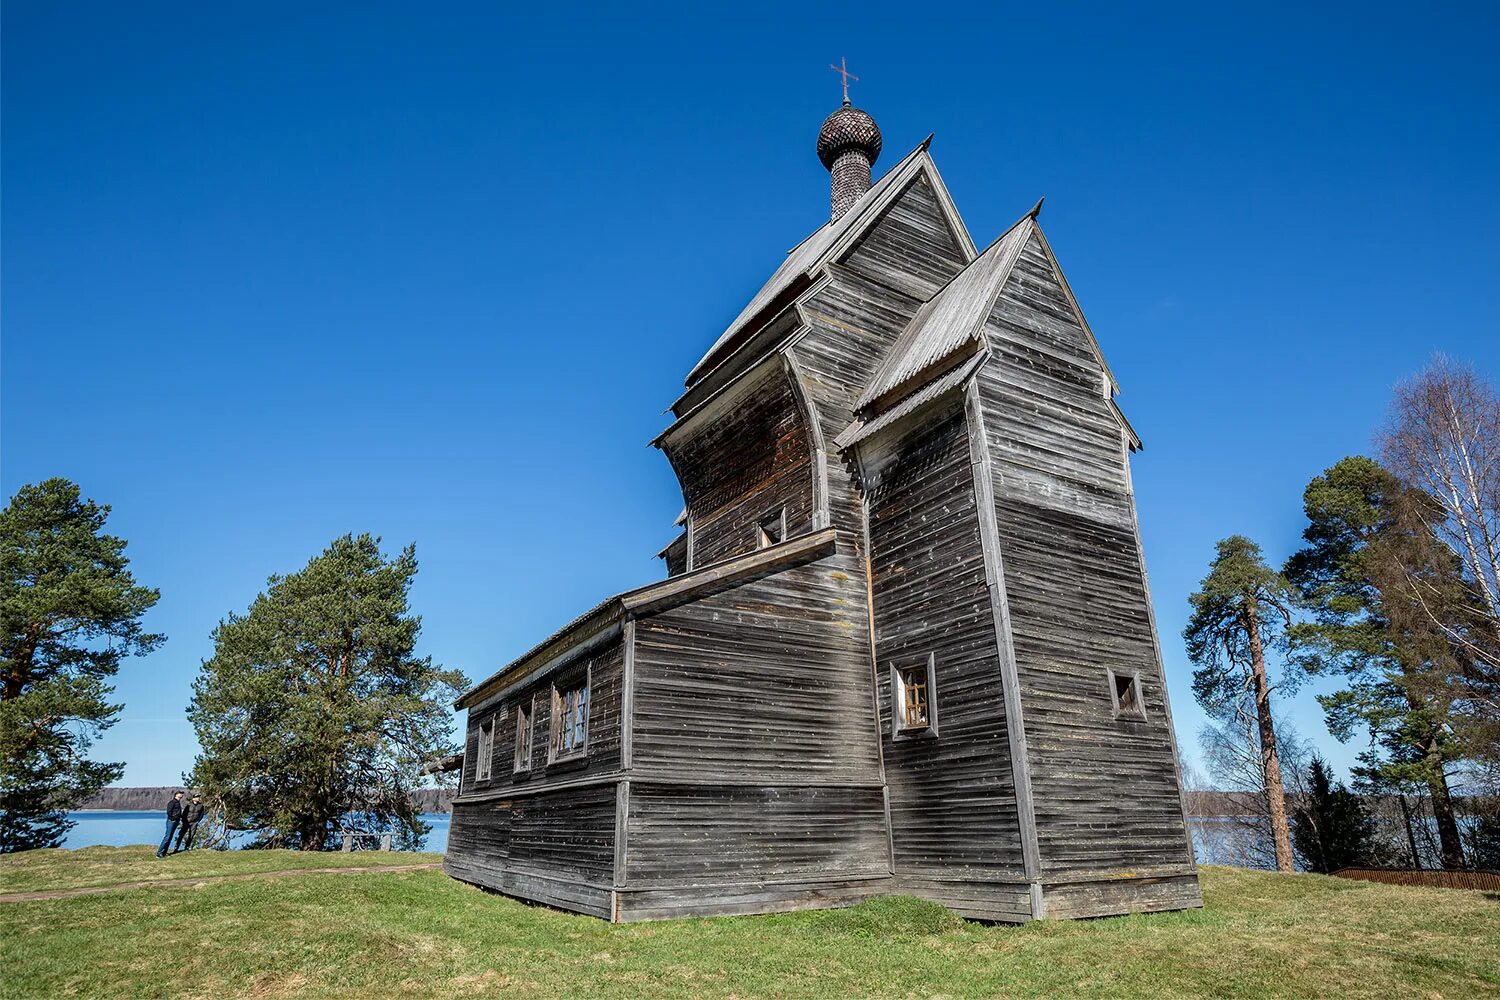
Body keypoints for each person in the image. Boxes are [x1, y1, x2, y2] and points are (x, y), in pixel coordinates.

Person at [156, 790, 184, 858]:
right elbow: (169, 812)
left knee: (170, 837)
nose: (181, 795)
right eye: (180, 794)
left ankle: (164, 852)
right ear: (176, 795)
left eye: (182, 794)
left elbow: (178, 812)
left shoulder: (178, 803)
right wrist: (172, 819)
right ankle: (159, 853)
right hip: (171, 822)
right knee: (167, 837)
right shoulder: (172, 802)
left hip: (176, 821)